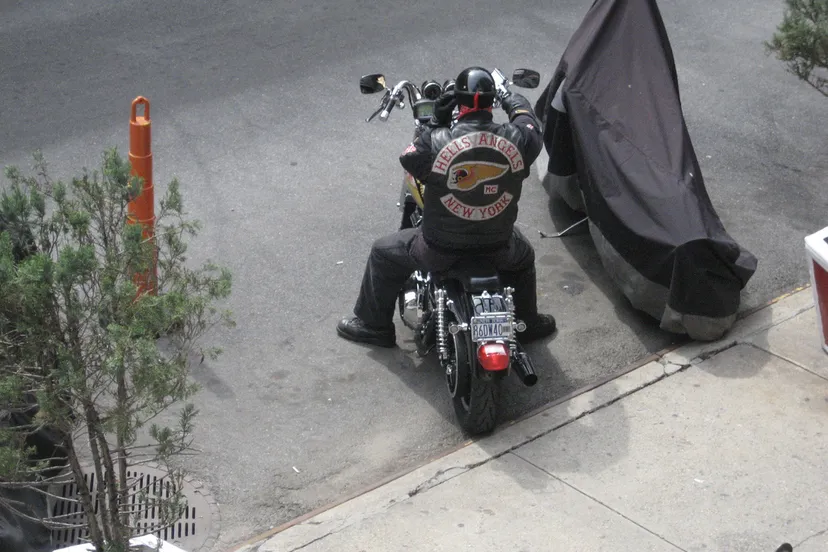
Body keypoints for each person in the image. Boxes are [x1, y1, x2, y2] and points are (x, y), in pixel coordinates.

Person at [337, 66, 557, 348]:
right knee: (524, 256)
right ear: (491, 103)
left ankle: (373, 327)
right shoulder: (518, 139)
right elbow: (529, 123)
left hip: (438, 250)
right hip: (499, 246)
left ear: (459, 103)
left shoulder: (437, 141)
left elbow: (410, 158)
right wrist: (510, 98)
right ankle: (527, 324)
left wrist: (436, 119)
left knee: (383, 252)